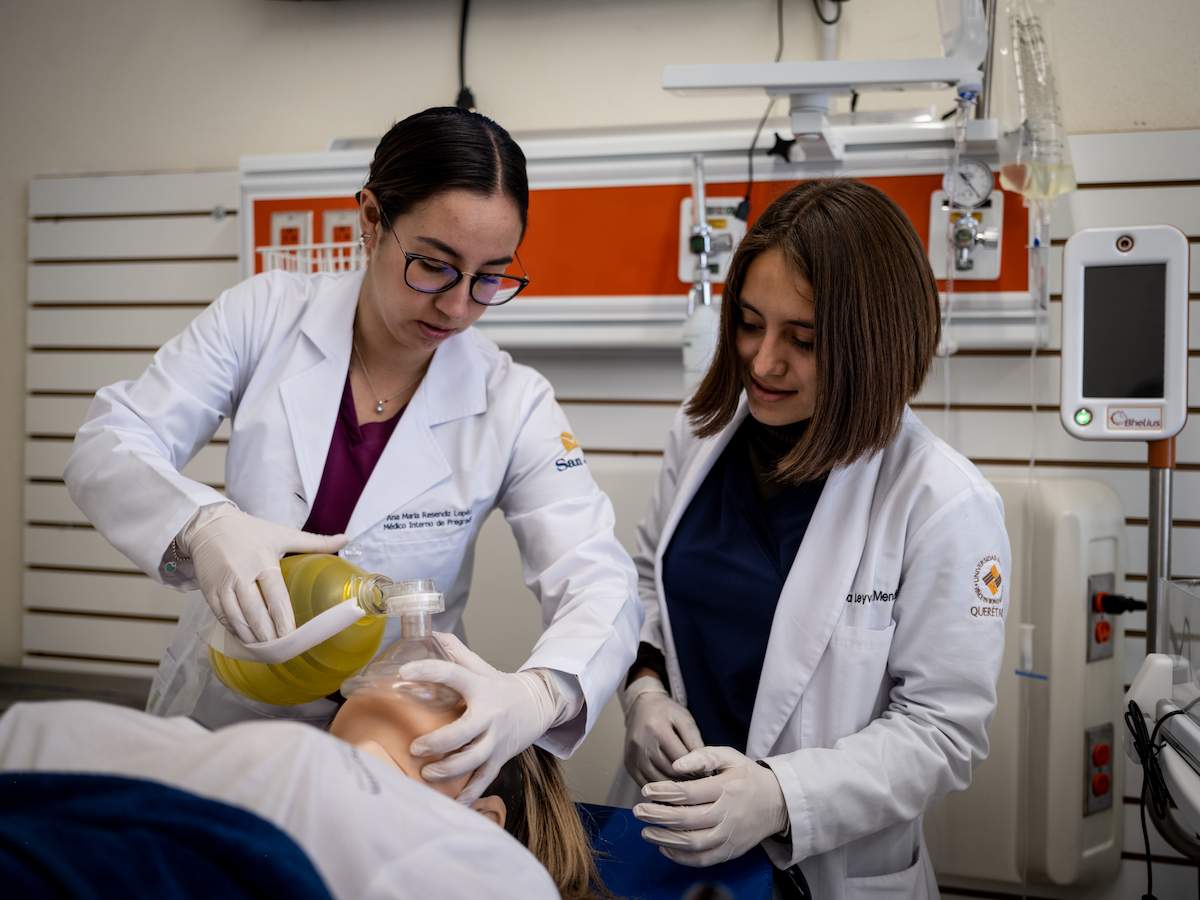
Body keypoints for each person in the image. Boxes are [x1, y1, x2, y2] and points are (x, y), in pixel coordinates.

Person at [63, 106, 641, 802]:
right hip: (226, 712)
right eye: (434, 266)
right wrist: (202, 525)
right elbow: (110, 442)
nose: (458, 308)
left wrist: (542, 692)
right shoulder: (264, 317)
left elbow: (596, 576)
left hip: (390, 742)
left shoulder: (513, 402)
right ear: (370, 219)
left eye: (489, 277)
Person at [615, 180, 1011, 899]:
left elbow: (942, 734)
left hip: (824, 867)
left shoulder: (943, 502)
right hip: (673, 838)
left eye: (803, 340)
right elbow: (648, 582)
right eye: (749, 323)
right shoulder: (701, 435)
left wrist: (780, 795)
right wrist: (643, 686)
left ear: (874, 345)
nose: (763, 362)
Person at [0, 665, 607, 900]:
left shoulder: (497, 872)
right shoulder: (271, 755)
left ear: (483, 820)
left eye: (443, 698)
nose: (413, 674)